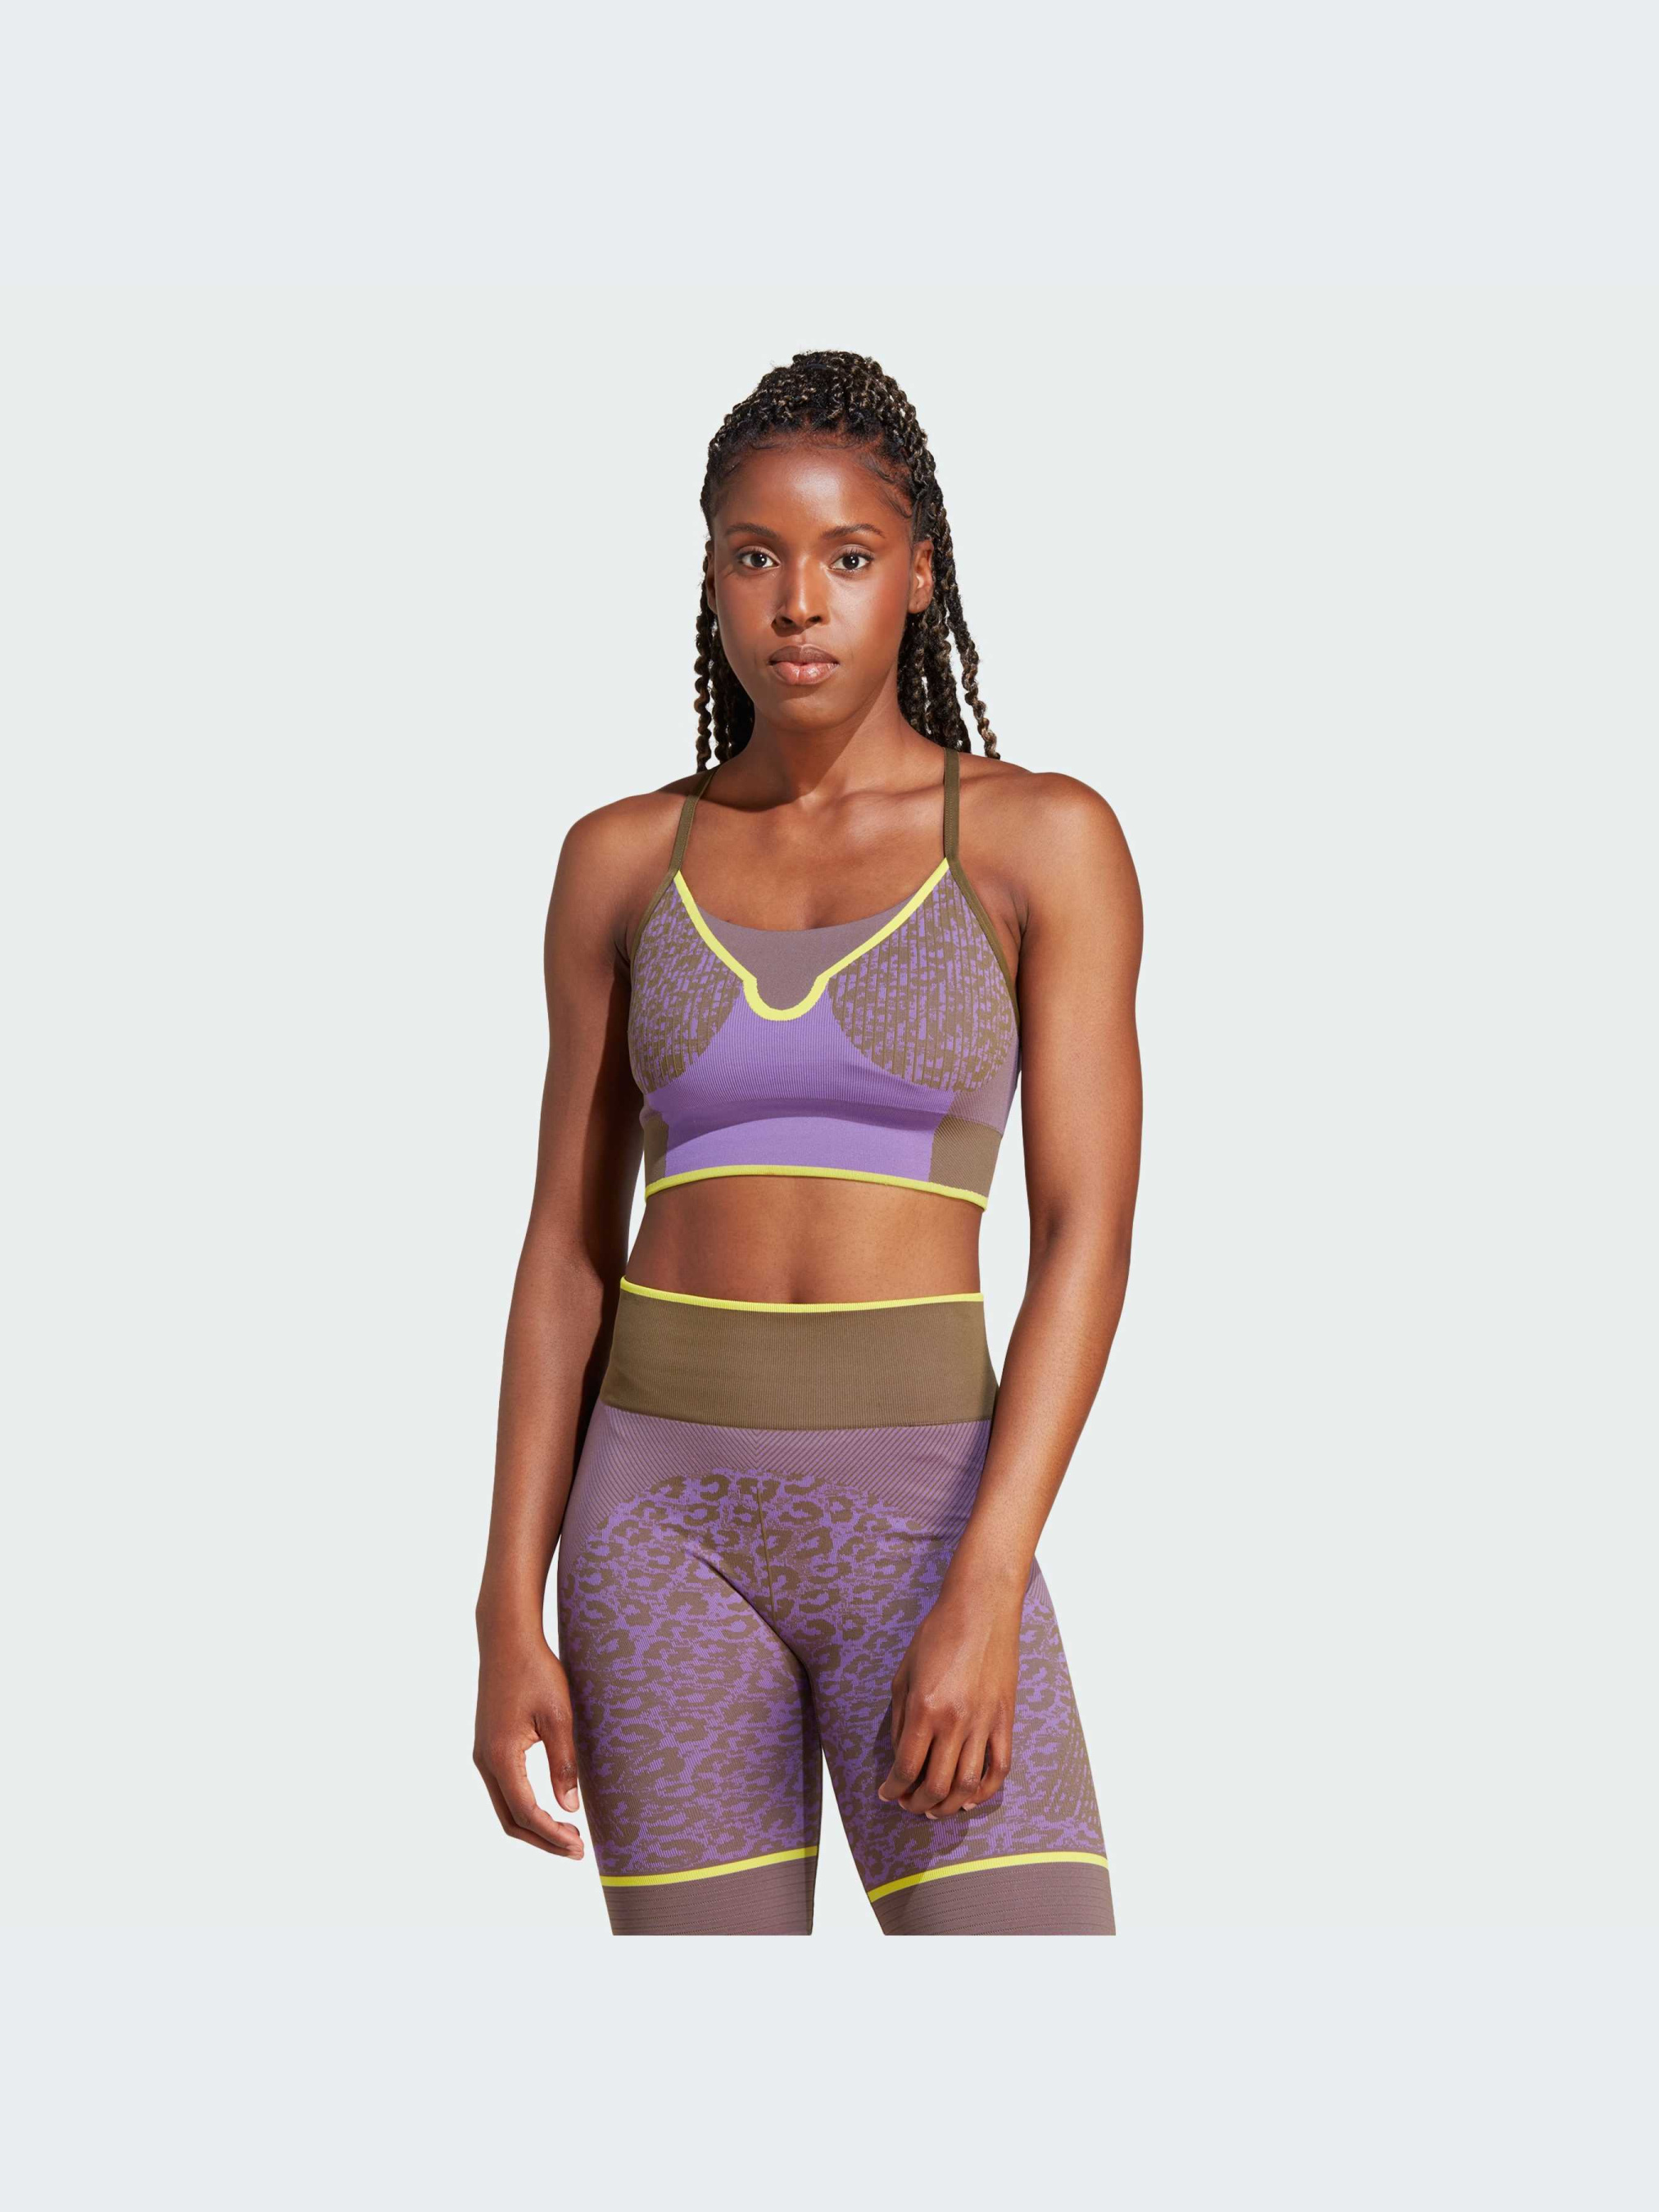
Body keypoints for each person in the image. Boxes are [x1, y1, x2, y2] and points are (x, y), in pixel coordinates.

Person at [474, 351, 1143, 1935]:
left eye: (847, 557)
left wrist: (989, 1576)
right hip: (654, 1531)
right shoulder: (622, 860)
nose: (797, 603)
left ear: (918, 575)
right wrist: (506, 1601)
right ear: (709, 579)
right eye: (753, 557)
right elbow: (565, 1255)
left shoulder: (1041, 840)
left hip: (926, 1521)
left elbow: (1085, 1235)